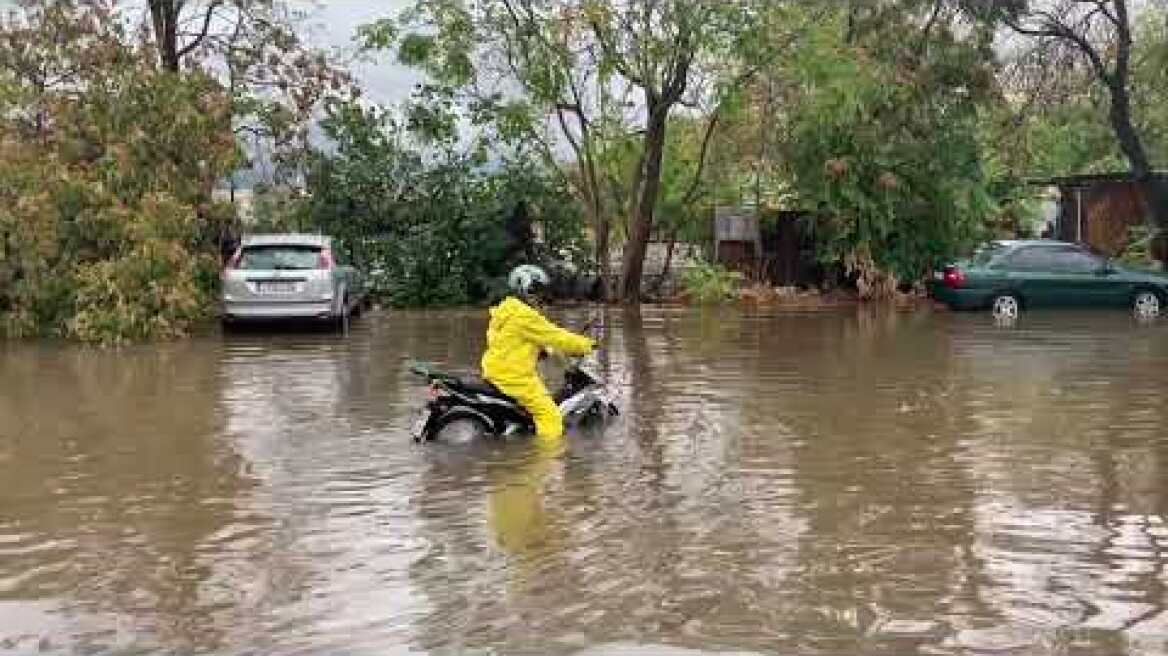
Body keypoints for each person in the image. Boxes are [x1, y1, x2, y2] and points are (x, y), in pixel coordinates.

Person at [481, 265, 595, 442]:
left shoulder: (506, 311)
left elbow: (510, 341)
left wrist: (540, 350)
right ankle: (544, 463)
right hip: (514, 377)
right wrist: (587, 345)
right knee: (551, 418)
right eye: (538, 290)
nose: (541, 296)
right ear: (528, 289)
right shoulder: (525, 316)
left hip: (496, 371)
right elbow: (556, 336)